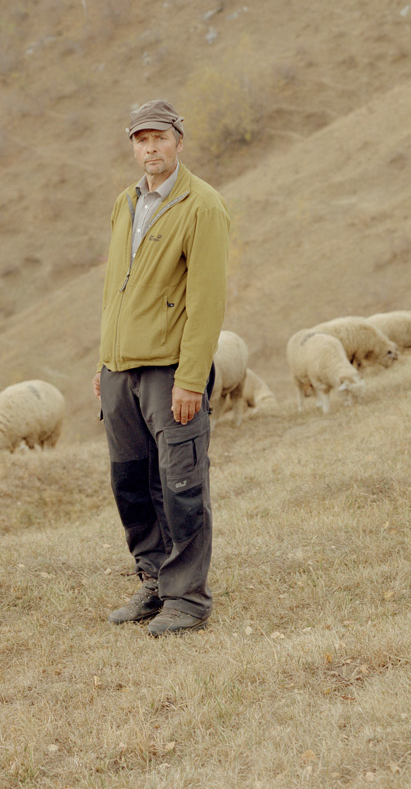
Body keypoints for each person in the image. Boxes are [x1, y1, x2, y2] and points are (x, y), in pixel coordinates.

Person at [94, 99, 229, 636]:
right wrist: (104, 359)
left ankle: (188, 599)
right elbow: (113, 289)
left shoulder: (203, 207)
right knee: (131, 482)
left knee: (181, 483)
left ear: (178, 141)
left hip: (169, 370)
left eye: (159, 138)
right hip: (118, 370)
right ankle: (153, 582)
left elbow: (208, 300)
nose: (150, 148)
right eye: (140, 140)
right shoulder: (125, 203)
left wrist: (191, 378)